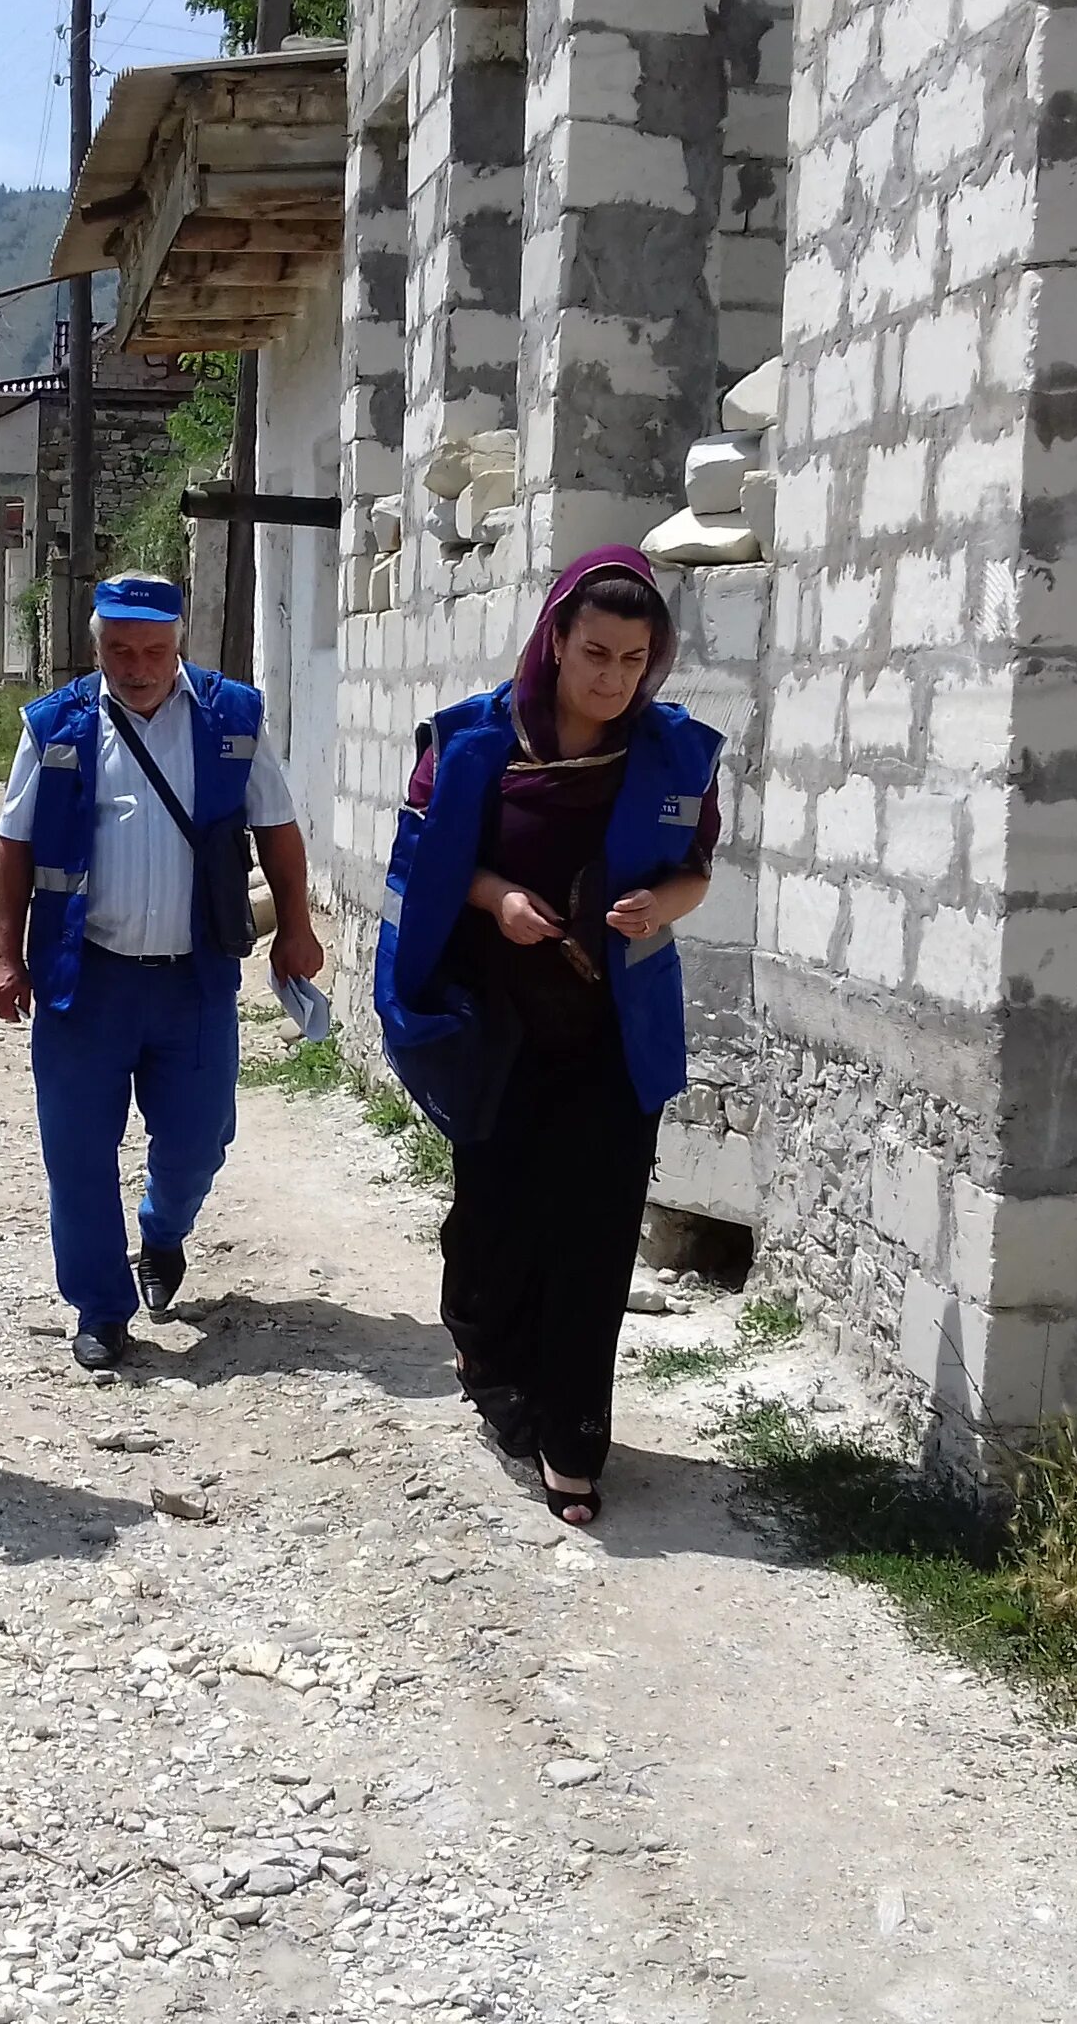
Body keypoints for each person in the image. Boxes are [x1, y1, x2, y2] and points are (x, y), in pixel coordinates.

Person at [374, 547, 722, 1527]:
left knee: (597, 1233)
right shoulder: (475, 745)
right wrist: (500, 899)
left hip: (617, 1031)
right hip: (498, 1027)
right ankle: (484, 1350)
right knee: (498, 1221)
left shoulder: (672, 755)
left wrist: (667, 902)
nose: (613, 678)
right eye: (596, 653)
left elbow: (698, 863)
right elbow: (433, 867)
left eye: (633, 658)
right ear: (556, 640)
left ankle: (573, 1442)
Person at [0, 575, 326, 1369]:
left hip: (193, 978)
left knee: (199, 1141)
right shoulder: (55, 726)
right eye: (119, 650)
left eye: (154, 651)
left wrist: (295, 929)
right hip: (84, 977)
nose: (136, 666)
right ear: (96, 645)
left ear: (180, 646)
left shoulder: (231, 718)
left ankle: (163, 1232)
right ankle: (100, 1309)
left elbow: (278, 829)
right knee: (76, 1154)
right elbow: (13, 848)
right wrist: (4, 953)